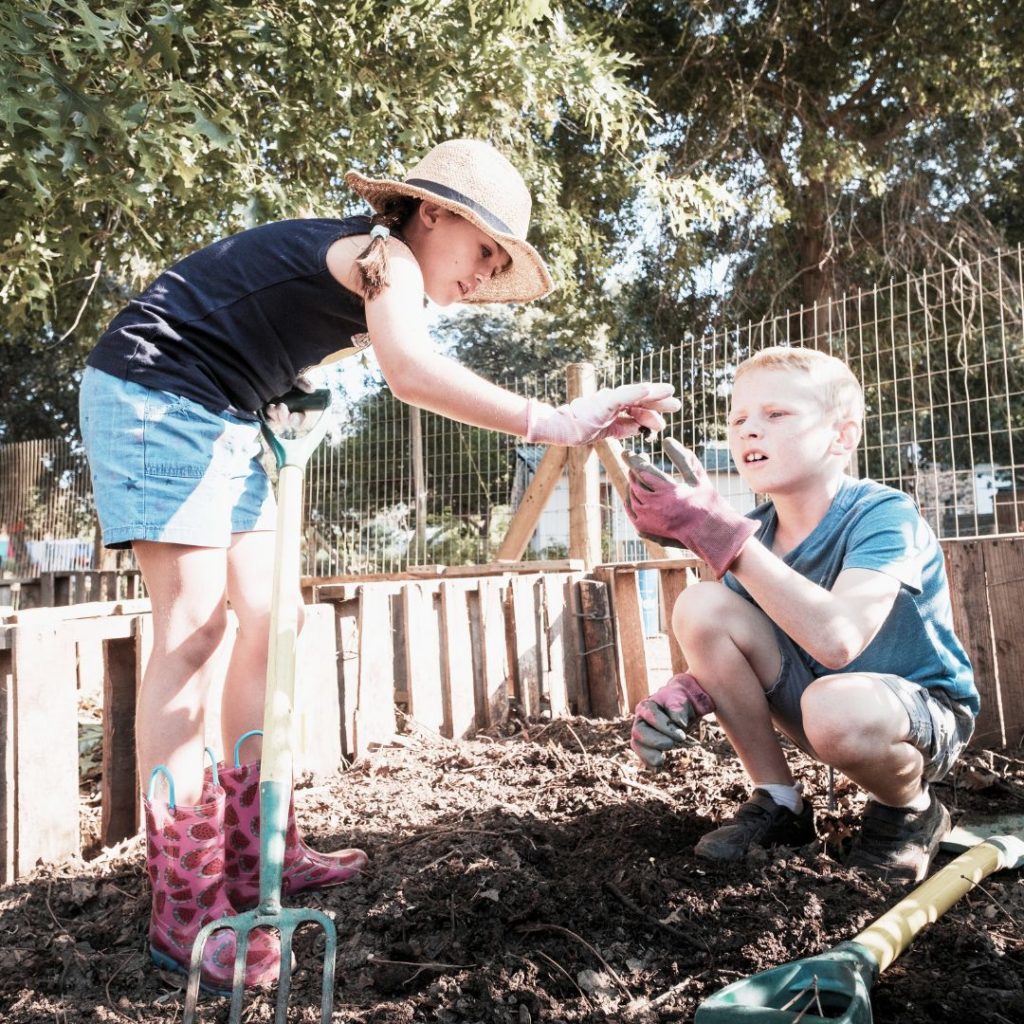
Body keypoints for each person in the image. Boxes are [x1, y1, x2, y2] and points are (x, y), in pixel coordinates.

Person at [78, 137, 680, 991]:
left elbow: (272, 319)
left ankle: (257, 856)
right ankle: (186, 910)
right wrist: (556, 420)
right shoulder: (385, 256)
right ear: (432, 213)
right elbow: (411, 372)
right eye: (484, 251)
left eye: (499, 263)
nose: (483, 276)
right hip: (155, 391)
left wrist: (283, 382)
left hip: (221, 409)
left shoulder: (372, 275)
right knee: (196, 632)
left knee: (275, 620)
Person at [624, 346, 977, 884]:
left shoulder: (884, 515)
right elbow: (734, 646)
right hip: (820, 704)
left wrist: (722, 536)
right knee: (700, 603)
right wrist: (688, 694)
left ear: (841, 436)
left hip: (916, 718)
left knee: (833, 707)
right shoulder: (757, 534)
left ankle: (911, 810)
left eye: (776, 414)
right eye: (738, 418)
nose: (748, 431)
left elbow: (838, 640)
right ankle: (780, 803)